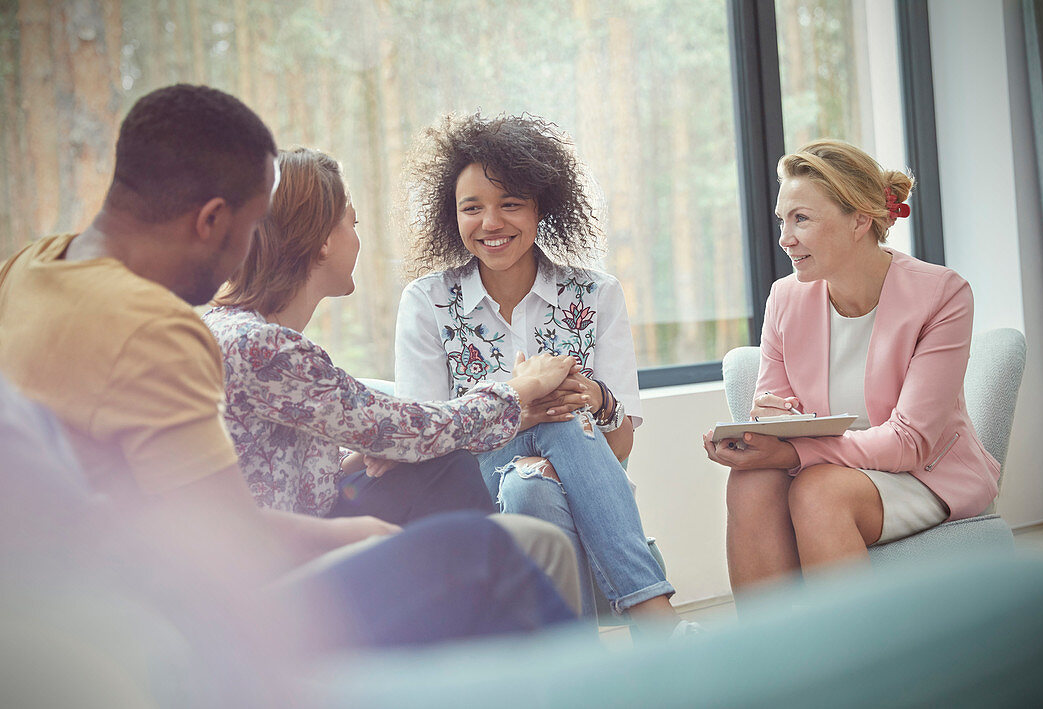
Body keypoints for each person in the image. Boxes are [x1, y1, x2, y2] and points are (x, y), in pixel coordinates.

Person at [0, 84, 580, 643]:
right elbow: (223, 537)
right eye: (254, 224)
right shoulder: (165, 334)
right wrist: (361, 534)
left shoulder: (28, 267)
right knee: (491, 549)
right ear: (211, 220)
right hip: (200, 615)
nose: (256, 244)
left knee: (440, 480)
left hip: (88, 587)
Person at [394, 112, 690, 634]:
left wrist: (598, 399)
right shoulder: (428, 302)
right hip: (465, 495)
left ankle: (577, 669)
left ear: (540, 209)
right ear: (453, 216)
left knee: (532, 487)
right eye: (472, 208)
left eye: (511, 204)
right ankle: (655, 618)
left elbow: (617, 450)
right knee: (556, 413)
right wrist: (525, 413)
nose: (491, 223)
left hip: (571, 488)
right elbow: (427, 449)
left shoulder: (596, 295)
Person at [204, 146, 581, 540]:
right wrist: (522, 389)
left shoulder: (231, 332)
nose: (357, 239)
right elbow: (419, 428)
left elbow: (274, 468)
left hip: (276, 539)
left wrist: (364, 455)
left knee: (433, 466)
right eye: (353, 223)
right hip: (272, 563)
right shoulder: (266, 350)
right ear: (322, 242)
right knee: (446, 466)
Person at [703, 139, 1001, 590]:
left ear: (860, 220)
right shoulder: (786, 297)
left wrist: (794, 452)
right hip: (829, 466)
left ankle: (855, 655)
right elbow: (774, 408)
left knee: (819, 491)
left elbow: (910, 442)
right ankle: (771, 654)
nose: (785, 238)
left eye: (801, 218)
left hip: (920, 473)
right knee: (751, 483)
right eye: (782, 219)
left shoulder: (942, 294)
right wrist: (762, 430)